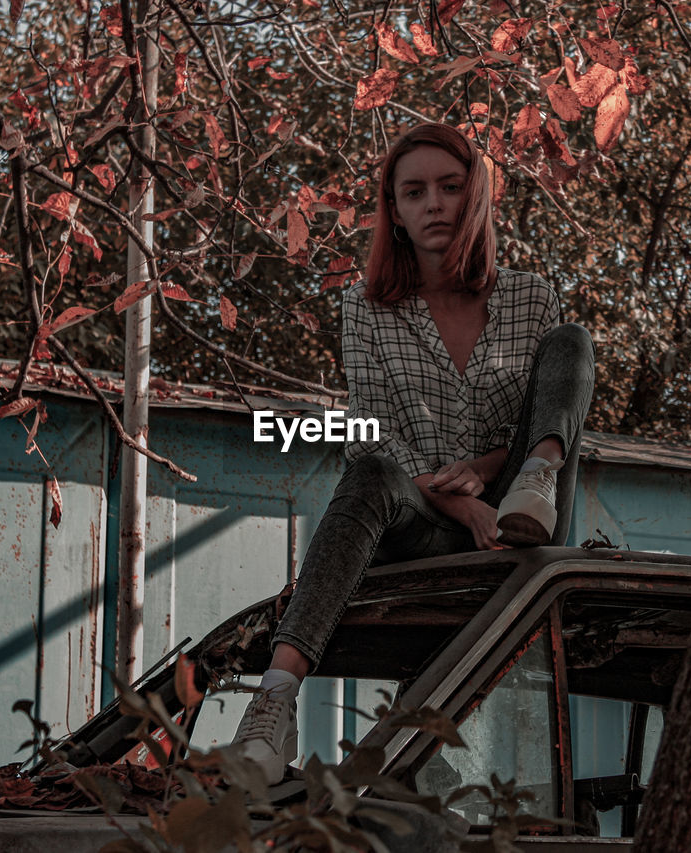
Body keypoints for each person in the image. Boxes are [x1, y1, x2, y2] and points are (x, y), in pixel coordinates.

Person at [231, 122, 595, 784]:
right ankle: (271, 705)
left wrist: (491, 475)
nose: (434, 203)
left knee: (571, 342)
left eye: (451, 187)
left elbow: (545, 410)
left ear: (475, 197)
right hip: (425, 520)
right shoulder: (367, 310)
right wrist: (463, 508)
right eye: (415, 191)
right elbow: (378, 436)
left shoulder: (529, 296)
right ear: (395, 212)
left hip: (526, 518)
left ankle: (534, 483)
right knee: (367, 467)